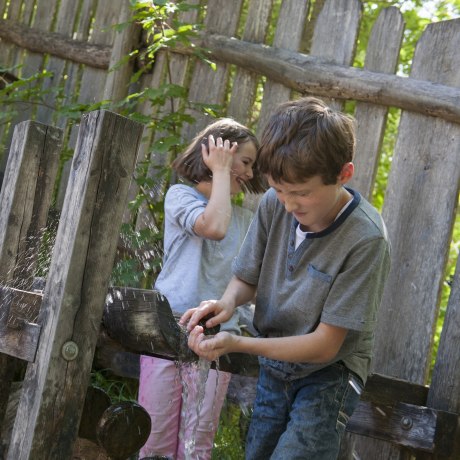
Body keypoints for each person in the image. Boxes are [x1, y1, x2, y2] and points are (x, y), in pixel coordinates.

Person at [181, 97, 391, 460]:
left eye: (302, 193)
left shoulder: (366, 239)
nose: (289, 204)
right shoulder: (273, 205)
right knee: (258, 451)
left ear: (344, 174)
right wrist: (225, 304)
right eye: (279, 189)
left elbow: (326, 345)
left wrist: (240, 344)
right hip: (275, 362)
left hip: (329, 375)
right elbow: (247, 277)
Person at [138, 118, 265, 460]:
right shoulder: (180, 196)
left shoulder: (246, 220)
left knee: (197, 445)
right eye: (246, 162)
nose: (250, 173)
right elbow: (213, 226)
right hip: (168, 327)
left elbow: (251, 283)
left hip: (214, 335)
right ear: (216, 154)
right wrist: (221, 172)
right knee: (155, 436)